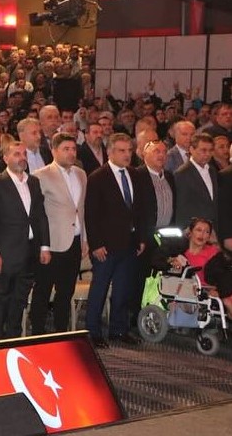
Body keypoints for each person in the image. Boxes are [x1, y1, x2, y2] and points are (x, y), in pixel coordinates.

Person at [84, 133, 145, 348]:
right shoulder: (98, 177)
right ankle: (93, 332)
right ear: (109, 152)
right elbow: (91, 214)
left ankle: (119, 330)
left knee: (122, 290)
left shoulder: (135, 175)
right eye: (121, 151)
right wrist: (96, 244)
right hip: (106, 246)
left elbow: (138, 210)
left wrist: (140, 238)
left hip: (129, 243)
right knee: (99, 289)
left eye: (129, 151)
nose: (127, 155)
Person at [0, 139, 49, 340]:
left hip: (30, 250)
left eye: (24, 154)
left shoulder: (34, 182)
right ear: (5, 158)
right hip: (6, 252)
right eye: (16, 154)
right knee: (1, 299)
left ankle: (14, 337)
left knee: (20, 299)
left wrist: (45, 246)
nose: (22, 158)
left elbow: (40, 216)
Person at [29, 133, 87, 335]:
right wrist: (42, 245)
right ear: (54, 151)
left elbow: (81, 209)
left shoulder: (81, 174)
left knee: (66, 290)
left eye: (73, 149)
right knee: (43, 290)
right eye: (66, 149)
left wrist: (85, 239)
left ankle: (61, 331)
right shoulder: (40, 175)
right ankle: (37, 332)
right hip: (51, 243)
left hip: (75, 240)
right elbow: (36, 213)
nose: (71, 153)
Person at [173, 133, 220, 234]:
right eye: (203, 150)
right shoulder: (182, 173)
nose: (207, 154)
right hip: (194, 231)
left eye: (210, 150)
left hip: (214, 229)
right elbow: (181, 206)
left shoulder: (212, 170)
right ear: (191, 149)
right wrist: (186, 230)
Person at [167, 218, 218, 285]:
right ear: (190, 233)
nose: (202, 234)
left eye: (207, 232)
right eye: (199, 230)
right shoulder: (180, 252)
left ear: (209, 237)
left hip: (205, 289)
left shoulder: (213, 252)